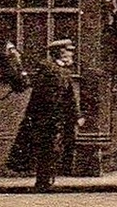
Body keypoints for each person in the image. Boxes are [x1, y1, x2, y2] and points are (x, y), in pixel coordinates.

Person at [7, 38, 81, 192]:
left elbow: (69, 98)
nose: (72, 54)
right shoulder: (49, 69)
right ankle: (42, 182)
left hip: (54, 118)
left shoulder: (62, 71)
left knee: (51, 150)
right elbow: (45, 97)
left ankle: (45, 181)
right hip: (44, 118)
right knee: (45, 150)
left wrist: (76, 115)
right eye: (69, 51)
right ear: (60, 53)